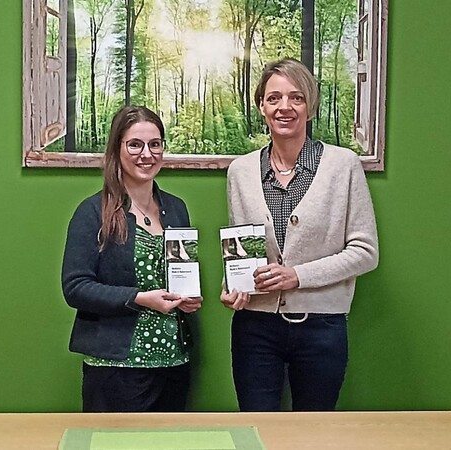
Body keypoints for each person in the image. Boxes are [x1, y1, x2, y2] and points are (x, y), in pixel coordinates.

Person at [221, 58, 379, 411]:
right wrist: (233, 286)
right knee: (257, 429)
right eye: (274, 98)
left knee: (315, 435)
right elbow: (240, 251)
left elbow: (365, 252)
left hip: (321, 327)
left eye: (296, 98)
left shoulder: (343, 166)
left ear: (310, 106)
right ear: (261, 105)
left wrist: (296, 277)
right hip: (255, 328)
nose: (285, 107)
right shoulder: (240, 171)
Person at [61, 105, 202, 412]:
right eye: (135, 145)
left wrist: (187, 299)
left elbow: (181, 273)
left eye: (155, 144)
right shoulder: (94, 212)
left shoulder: (176, 209)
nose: (146, 154)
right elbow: (75, 287)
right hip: (116, 369)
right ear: (117, 149)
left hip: (174, 363)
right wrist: (140, 298)